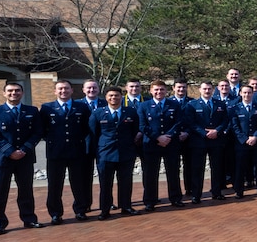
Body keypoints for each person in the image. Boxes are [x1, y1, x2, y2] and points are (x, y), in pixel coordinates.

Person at [0, 81, 45, 235]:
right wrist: (10, 150)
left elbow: (37, 132)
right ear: (4, 93)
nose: (14, 93)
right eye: (10, 91)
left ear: (22, 93)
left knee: (26, 190)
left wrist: (24, 149)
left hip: (25, 158)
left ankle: (29, 219)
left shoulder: (31, 111)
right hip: (2, 159)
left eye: (17, 91)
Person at [40, 79, 93, 223]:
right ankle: (56, 213)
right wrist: (54, 141)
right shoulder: (47, 108)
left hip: (77, 151)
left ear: (72, 90)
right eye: (61, 89)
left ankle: (81, 210)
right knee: (55, 184)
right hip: (55, 152)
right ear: (55, 91)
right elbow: (42, 130)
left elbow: (86, 127)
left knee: (79, 183)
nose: (64, 91)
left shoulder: (81, 107)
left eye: (66, 88)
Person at [90, 86, 142, 218]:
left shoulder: (130, 112)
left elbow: (135, 130)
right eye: (111, 96)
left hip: (126, 153)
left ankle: (126, 206)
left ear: (121, 96)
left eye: (116, 95)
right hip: (105, 153)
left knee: (126, 182)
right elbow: (93, 134)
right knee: (105, 184)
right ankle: (105, 210)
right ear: (106, 97)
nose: (114, 98)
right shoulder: (98, 113)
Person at [138, 80, 184, 210]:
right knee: (150, 174)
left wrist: (168, 136)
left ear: (166, 91)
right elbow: (142, 126)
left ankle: (175, 198)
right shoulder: (144, 106)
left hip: (171, 143)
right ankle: (150, 201)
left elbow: (179, 122)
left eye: (162, 90)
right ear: (151, 91)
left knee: (173, 172)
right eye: (156, 90)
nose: (159, 92)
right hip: (151, 144)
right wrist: (158, 137)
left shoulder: (174, 105)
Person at [184, 82, 230, 202]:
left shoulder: (220, 104)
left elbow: (225, 120)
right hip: (199, 141)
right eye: (204, 88)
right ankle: (196, 195)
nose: (207, 91)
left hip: (216, 140)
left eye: (209, 89)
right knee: (198, 168)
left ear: (213, 89)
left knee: (217, 168)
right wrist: (205, 133)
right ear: (200, 89)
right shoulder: (192, 105)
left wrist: (217, 131)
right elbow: (191, 123)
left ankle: (217, 192)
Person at [229, 85, 257, 198]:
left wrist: (255, 137)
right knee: (240, 168)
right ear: (240, 93)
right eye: (244, 92)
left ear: (252, 94)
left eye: (249, 93)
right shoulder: (235, 108)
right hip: (242, 143)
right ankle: (239, 190)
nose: (247, 95)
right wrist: (244, 139)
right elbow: (234, 126)